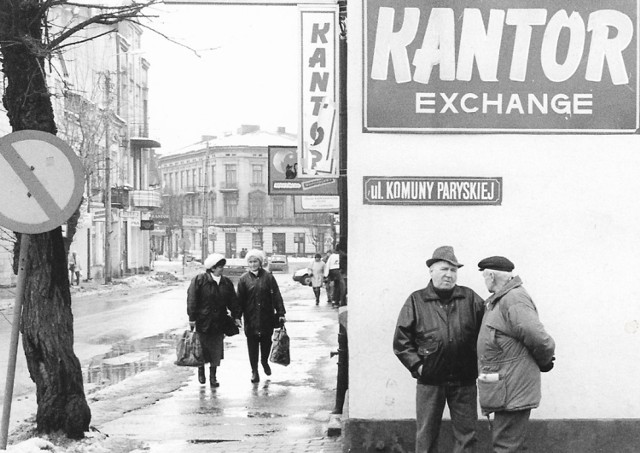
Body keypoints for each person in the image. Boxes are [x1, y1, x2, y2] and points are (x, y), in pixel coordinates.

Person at [393, 246, 485, 453]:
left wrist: (480, 365)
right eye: (444, 269)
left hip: (464, 380)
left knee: (467, 435)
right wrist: (419, 367)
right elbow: (401, 340)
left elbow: (488, 333)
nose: (449, 275)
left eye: (453, 271)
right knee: (426, 435)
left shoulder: (470, 299)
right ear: (431, 270)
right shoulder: (416, 301)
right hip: (430, 382)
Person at [476, 256, 555, 453]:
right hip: (506, 385)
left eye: (484, 277)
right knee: (510, 444)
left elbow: (538, 337)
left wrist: (545, 361)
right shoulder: (503, 299)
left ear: (491, 276)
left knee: (506, 445)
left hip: (512, 387)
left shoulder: (513, 298)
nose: (485, 282)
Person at [187, 253, 241, 388]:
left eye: (222, 266)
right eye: (219, 266)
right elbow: (192, 300)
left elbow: (233, 301)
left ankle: (213, 376)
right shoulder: (199, 280)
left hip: (219, 322)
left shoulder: (226, 282)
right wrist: (192, 318)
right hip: (203, 322)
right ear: (212, 268)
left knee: (216, 351)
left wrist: (236, 316)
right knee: (202, 349)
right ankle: (201, 370)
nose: (222, 268)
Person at [237, 249, 286, 383]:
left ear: (260, 262)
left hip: (266, 317)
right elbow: (239, 300)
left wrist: (281, 313)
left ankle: (264, 362)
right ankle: (254, 371)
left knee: (266, 343)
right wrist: (237, 316)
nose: (253, 264)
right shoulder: (243, 279)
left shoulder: (268, 277)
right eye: (250, 262)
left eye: (255, 261)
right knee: (252, 346)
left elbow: (276, 296)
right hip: (251, 318)